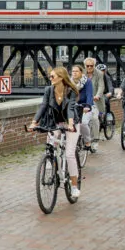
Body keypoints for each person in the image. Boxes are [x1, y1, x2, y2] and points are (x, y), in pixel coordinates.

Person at [28, 66, 81, 199]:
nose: (50, 78)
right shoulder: (49, 90)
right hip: (55, 122)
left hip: (71, 123)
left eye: (52, 76)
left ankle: (74, 186)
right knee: (51, 145)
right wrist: (34, 122)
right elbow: (43, 106)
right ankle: (50, 163)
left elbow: (70, 108)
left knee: (69, 154)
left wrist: (70, 124)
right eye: (50, 76)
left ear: (61, 78)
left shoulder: (70, 91)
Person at [70, 63, 96, 153]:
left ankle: (87, 141)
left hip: (85, 106)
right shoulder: (69, 82)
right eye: (73, 71)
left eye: (76, 71)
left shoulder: (87, 81)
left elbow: (89, 94)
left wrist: (87, 106)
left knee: (83, 123)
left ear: (81, 72)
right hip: (73, 106)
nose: (74, 73)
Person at [85, 57, 105, 149]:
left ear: (94, 65)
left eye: (91, 65)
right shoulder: (82, 73)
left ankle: (95, 139)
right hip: (84, 100)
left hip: (95, 100)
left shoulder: (99, 74)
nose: (89, 67)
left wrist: (97, 95)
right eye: (87, 66)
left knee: (94, 118)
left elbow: (101, 86)